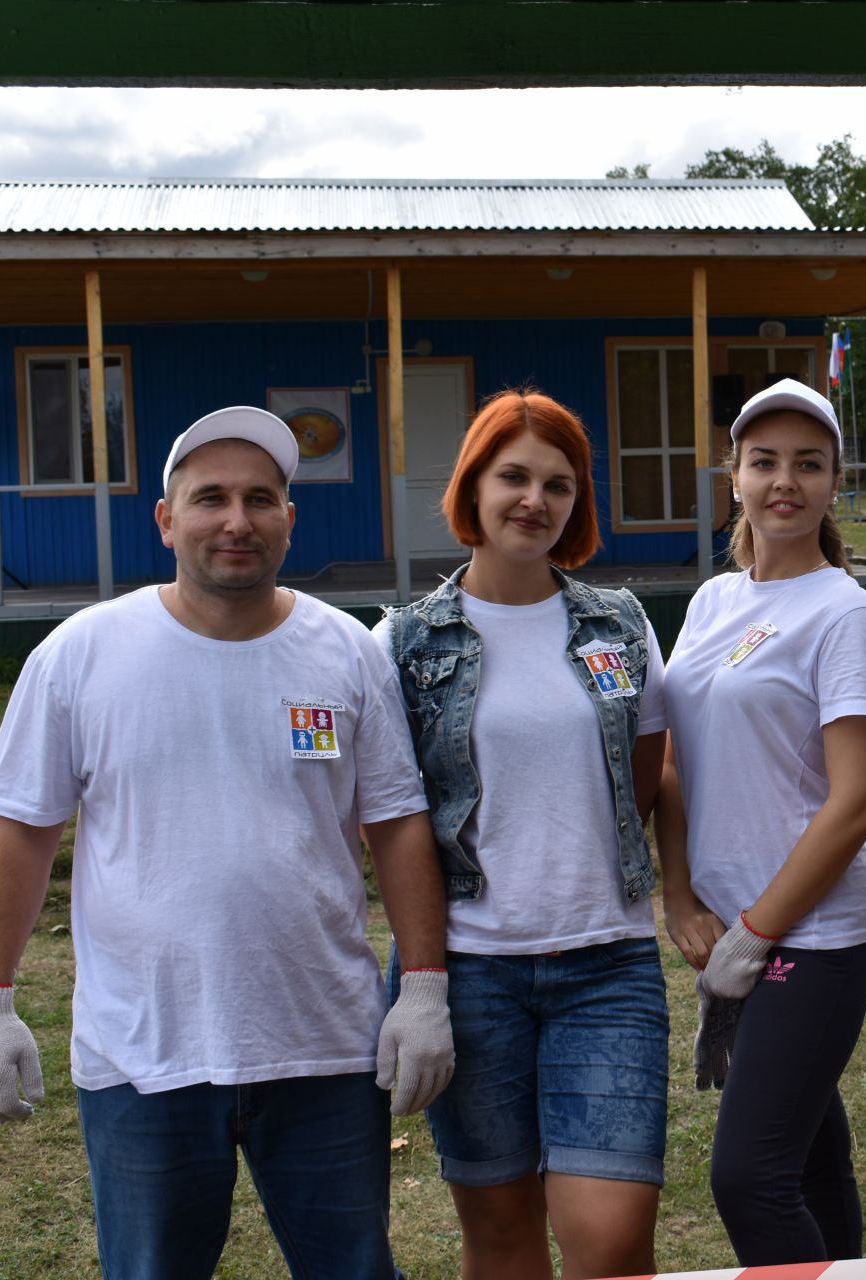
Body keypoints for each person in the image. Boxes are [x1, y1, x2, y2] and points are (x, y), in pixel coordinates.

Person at [0, 407, 452, 1279]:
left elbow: (398, 825)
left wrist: (425, 991)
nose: (236, 520)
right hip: (143, 1054)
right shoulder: (80, 656)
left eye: (261, 499)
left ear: (289, 520)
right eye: (209, 498)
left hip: (324, 1046)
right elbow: (22, 836)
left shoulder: (345, 652)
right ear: (166, 519)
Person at [375, 390, 671, 1279]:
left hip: (607, 965)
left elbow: (648, 773)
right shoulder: (401, 641)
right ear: (474, 483)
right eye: (513, 476)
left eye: (559, 484)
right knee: (500, 1238)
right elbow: (391, 821)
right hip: (469, 975)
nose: (534, 501)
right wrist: (421, 988)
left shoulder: (619, 624)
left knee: (612, 1240)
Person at [657, 379, 866, 1265]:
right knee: (809, 1158)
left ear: (836, 482)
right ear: (734, 476)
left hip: (816, 935)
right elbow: (674, 759)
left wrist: (757, 932)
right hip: (728, 929)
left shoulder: (846, 615)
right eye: (764, 462)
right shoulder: (716, 603)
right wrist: (681, 896)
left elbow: (858, 801)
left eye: (808, 464)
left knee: (750, 1175)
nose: (783, 481)